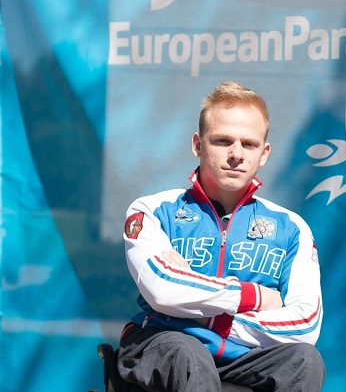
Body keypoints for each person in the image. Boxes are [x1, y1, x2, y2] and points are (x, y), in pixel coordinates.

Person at [117, 81, 325, 392]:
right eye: (223, 141)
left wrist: (205, 314)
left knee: (305, 361)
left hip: (246, 354)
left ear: (264, 153)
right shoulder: (152, 210)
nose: (236, 154)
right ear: (198, 145)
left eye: (249, 144)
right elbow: (162, 291)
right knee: (189, 353)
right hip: (163, 343)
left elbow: (305, 324)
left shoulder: (292, 227)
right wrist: (254, 297)